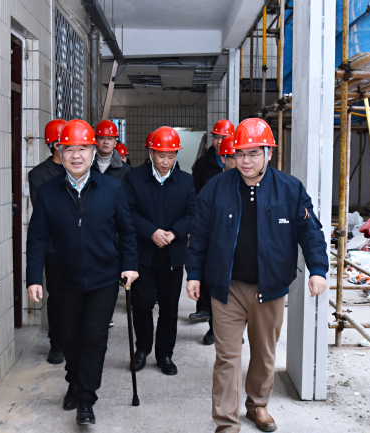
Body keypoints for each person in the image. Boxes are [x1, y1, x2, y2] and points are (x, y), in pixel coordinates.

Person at [185, 118, 329, 432]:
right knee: (227, 356)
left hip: (270, 288)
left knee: (264, 355)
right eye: (239, 153)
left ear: (269, 153)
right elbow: (200, 234)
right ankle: (226, 422)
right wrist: (193, 273)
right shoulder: (217, 188)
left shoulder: (289, 188)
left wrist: (317, 269)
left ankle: (257, 405)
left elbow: (310, 232)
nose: (245, 161)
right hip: (227, 288)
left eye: (253, 153)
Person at [26, 119, 139, 426]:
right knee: (70, 337)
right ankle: (73, 382)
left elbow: (127, 231)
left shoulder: (111, 189)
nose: (76, 155)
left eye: (82, 149)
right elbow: (37, 237)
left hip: (104, 278)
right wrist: (34, 278)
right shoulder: (48, 192)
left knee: (94, 337)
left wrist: (130, 264)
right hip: (65, 279)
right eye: (69, 149)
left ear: (92, 151)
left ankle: (86, 398)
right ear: (59, 151)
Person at [123, 126, 195, 376]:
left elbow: (192, 214)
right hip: (143, 254)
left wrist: (174, 233)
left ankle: (165, 354)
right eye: (161, 155)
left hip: (173, 256)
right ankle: (142, 349)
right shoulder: (133, 179)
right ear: (150, 152)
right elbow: (128, 212)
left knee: (169, 307)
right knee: (142, 304)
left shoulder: (186, 181)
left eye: (171, 156)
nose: (165, 162)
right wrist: (151, 232)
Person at [190, 119, 235, 345]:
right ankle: (213, 326)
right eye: (216, 137)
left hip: (234, 233)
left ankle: (234, 330)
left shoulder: (244, 169)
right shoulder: (203, 165)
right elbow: (197, 196)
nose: (219, 141)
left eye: (223, 138)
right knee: (211, 279)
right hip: (212, 230)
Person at [28, 118, 67, 365]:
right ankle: (57, 343)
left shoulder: (83, 168)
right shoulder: (39, 175)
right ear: (54, 145)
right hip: (55, 247)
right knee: (58, 296)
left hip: (83, 245)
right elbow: (47, 212)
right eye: (65, 144)